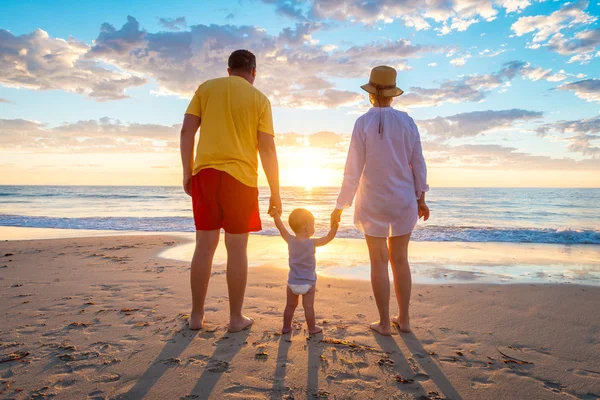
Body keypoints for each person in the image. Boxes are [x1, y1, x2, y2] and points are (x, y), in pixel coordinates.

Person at [180, 49, 281, 332]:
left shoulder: (207, 88)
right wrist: (275, 191)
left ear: (228, 70)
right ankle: (236, 318)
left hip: (206, 175)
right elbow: (267, 148)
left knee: (204, 248)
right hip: (241, 179)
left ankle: (196, 316)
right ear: (253, 72)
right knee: (237, 250)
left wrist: (188, 171)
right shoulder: (260, 99)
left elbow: (187, 132)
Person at [331, 65, 430, 336]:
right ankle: (405, 320)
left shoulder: (362, 123)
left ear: (371, 93)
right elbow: (418, 164)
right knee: (400, 260)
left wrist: (341, 205)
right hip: (403, 200)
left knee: (378, 262)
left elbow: (352, 170)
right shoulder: (408, 121)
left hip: (372, 200)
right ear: (393, 94)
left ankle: (385, 323)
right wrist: (421, 198)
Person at [272, 208, 338, 335]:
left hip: (292, 282)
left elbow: (281, 227)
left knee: (290, 306)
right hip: (308, 283)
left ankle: (286, 328)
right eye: (313, 225)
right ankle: (312, 329)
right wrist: (335, 224)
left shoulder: (290, 240)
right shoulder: (312, 243)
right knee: (308, 307)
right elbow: (329, 237)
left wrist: (276, 216)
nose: (314, 227)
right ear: (307, 227)